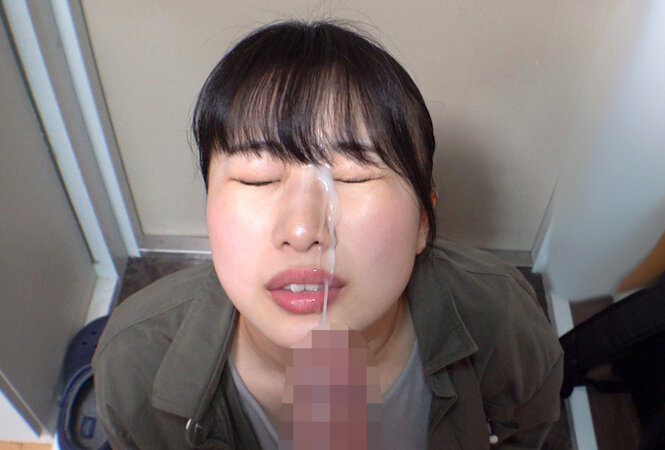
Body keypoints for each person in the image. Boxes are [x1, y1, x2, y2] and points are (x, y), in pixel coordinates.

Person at [93, 20, 563, 449]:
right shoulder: (135, 362)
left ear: (423, 219)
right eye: (258, 178)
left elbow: (529, 431)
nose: (302, 231)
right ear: (209, 208)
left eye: (354, 176)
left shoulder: (503, 320)